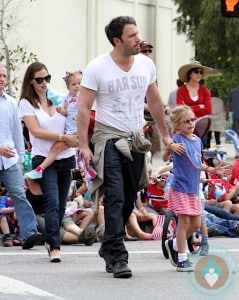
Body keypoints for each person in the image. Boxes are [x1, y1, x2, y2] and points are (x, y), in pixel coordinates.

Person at [77, 16, 172, 279]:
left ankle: (108, 242)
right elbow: (84, 108)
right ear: (117, 41)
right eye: (132, 36)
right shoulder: (97, 67)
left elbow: (154, 101)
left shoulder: (145, 64)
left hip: (136, 137)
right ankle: (118, 257)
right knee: (116, 195)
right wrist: (84, 145)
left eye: (137, 34)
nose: (137, 39)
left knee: (131, 194)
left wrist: (166, 137)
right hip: (108, 138)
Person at [18, 62, 79, 263]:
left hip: (66, 156)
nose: (44, 83)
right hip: (43, 158)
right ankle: (54, 246)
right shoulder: (26, 103)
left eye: (47, 78)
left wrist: (68, 139)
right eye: (39, 79)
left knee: (61, 204)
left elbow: (74, 119)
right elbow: (35, 131)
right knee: (51, 202)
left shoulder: (59, 98)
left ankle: (51, 238)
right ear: (31, 81)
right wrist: (62, 137)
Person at [164, 105, 226, 272]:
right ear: (177, 125)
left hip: (193, 188)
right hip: (180, 187)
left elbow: (198, 163)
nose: (191, 123)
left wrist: (213, 170)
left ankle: (174, 243)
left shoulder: (197, 141)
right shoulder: (177, 138)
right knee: (184, 223)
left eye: (192, 119)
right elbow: (164, 156)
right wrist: (171, 147)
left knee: (196, 223)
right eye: (186, 121)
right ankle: (182, 260)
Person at [0, 64, 42, 250]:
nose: (2, 79)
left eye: (4, 76)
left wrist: (20, 161)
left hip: (10, 160)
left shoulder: (10, 103)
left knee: (19, 195)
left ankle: (29, 234)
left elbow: (18, 134)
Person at [24, 70, 83, 180]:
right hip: (68, 130)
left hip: (76, 130)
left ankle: (40, 168)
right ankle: (41, 169)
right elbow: (67, 112)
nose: (77, 86)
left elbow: (86, 109)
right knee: (56, 149)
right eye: (74, 84)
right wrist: (61, 111)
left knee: (55, 148)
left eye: (80, 84)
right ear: (68, 87)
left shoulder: (83, 96)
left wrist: (81, 98)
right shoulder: (67, 98)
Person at [140, 40, 161, 162]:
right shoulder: (134, 71)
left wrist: (163, 107)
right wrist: (152, 107)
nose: (147, 53)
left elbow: (155, 97)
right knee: (143, 152)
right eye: (144, 51)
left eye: (149, 51)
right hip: (140, 119)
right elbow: (134, 100)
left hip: (153, 119)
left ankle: (149, 176)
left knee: (153, 151)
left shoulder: (151, 72)